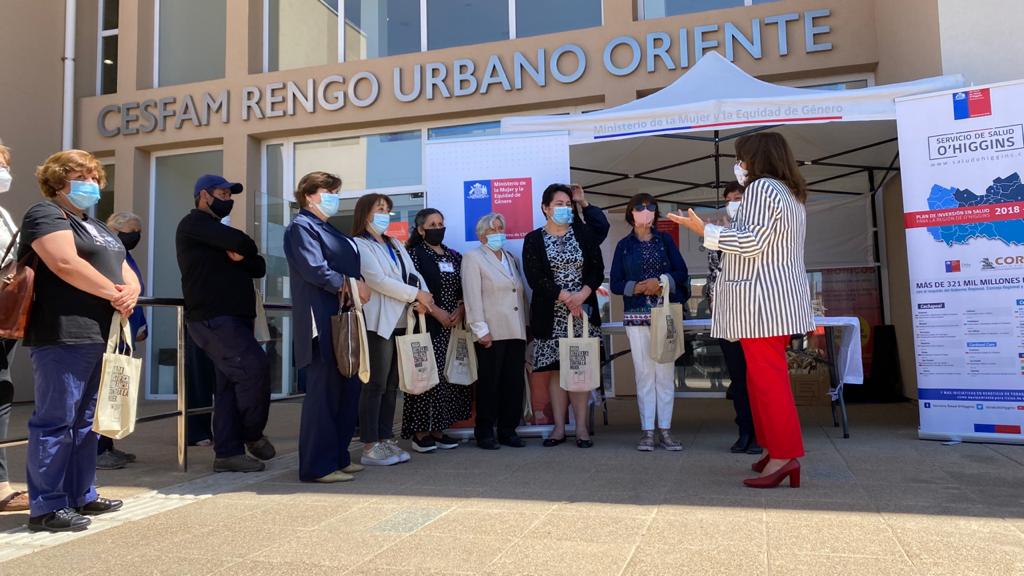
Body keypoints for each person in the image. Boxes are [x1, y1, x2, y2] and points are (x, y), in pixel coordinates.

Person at [669, 132, 814, 488]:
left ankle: (783, 455)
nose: (740, 165)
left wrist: (706, 231)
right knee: (761, 380)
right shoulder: (790, 194)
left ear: (756, 157)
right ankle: (775, 450)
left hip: (760, 304)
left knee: (768, 382)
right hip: (772, 301)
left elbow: (752, 241)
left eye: (741, 157)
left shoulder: (763, 190)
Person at [19, 150, 137, 531]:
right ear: (58, 180)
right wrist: (114, 294)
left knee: (87, 422)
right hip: (64, 332)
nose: (92, 184)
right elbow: (64, 263)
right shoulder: (46, 213)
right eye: (81, 176)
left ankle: (81, 494)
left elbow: (125, 268)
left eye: (94, 176)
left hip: (101, 334)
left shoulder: (98, 225)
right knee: (55, 420)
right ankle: (47, 506)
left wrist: (130, 292)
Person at [176, 174, 274, 473]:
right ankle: (252, 435)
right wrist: (242, 251)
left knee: (231, 385)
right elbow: (244, 243)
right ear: (204, 195)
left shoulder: (215, 230)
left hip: (237, 318)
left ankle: (228, 453)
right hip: (212, 318)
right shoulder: (193, 224)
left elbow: (259, 266)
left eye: (230, 195)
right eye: (223, 193)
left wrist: (242, 258)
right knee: (255, 369)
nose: (228, 199)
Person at [283, 171, 369, 483]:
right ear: (308, 195)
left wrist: (356, 286)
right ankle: (317, 466)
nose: (334, 196)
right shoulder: (301, 227)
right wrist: (351, 285)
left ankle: (338, 456)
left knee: (346, 389)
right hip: (320, 320)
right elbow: (315, 269)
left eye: (336, 191)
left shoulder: (327, 228)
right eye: (328, 191)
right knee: (323, 394)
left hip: (344, 318)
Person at [522, 184, 604, 449]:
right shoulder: (533, 239)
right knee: (556, 371)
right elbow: (534, 277)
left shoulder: (582, 232)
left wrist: (581, 295)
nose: (564, 208)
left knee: (578, 368)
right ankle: (559, 427)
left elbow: (597, 267)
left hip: (582, 312)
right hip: (552, 312)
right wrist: (564, 297)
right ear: (545, 208)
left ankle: (581, 429)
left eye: (568, 204)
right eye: (559, 204)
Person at [353, 194, 432, 466]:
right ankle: (369, 445)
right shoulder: (359, 245)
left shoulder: (395, 244)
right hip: (379, 323)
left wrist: (424, 295)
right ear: (365, 214)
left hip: (402, 321)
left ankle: (386, 438)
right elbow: (378, 281)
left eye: (388, 209)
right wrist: (416, 296)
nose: (385, 214)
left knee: (391, 385)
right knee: (374, 384)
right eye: (379, 209)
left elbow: (413, 275)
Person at [610, 193, 688, 452]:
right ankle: (647, 431)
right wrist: (639, 287)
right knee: (644, 373)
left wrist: (662, 282)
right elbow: (616, 283)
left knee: (665, 373)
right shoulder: (624, 245)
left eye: (651, 207)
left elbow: (682, 273)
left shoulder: (665, 241)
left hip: (664, 315)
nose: (646, 211)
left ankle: (665, 430)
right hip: (636, 317)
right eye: (640, 207)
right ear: (630, 213)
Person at [403, 209, 471, 452]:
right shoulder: (414, 254)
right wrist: (437, 312)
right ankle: (421, 433)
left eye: (441, 223)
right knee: (426, 376)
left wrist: (460, 310)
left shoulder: (454, 256)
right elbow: (411, 288)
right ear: (421, 229)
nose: (438, 227)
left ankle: (439, 429)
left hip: (453, 326)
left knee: (448, 377)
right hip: (427, 324)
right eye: (432, 224)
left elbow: (465, 288)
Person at [461, 213, 528, 449]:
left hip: (516, 330)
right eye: (492, 229)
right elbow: (472, 296)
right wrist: (480, 329)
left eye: (500, 227)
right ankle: (485, 431)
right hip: (491, 331)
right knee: (490, 383)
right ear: (481, 235)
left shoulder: (510, 258)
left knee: (513, 383)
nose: (498, 232)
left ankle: (508, 430)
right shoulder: (473, 258)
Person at [705, 182, 761, 456]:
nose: (733, 202)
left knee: (759, 379)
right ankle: (744, 431)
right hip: (728, 320)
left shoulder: (759, 230)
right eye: (729, 199)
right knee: (738, 380)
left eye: (738, 198)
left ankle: (762, 433)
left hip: (757, 319)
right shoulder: (718, 233)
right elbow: (712, 277)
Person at [92, 212, 147, 470]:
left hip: (126, 332)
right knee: (105, 390)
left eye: (138, 231)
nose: (135, 235)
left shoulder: (127, 256)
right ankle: (98, 449)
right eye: (131, 230)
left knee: (117, 389)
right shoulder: (107, 253)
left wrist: (142, 324)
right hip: (111, 333)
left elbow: (137, 292)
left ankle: (108, 445)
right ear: (114, 230)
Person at [0, 143, 28, 513]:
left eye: (6, 164)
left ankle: (2, 484)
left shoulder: (3, 213)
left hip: (6, 315)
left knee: (2, 395)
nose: (6, 172)